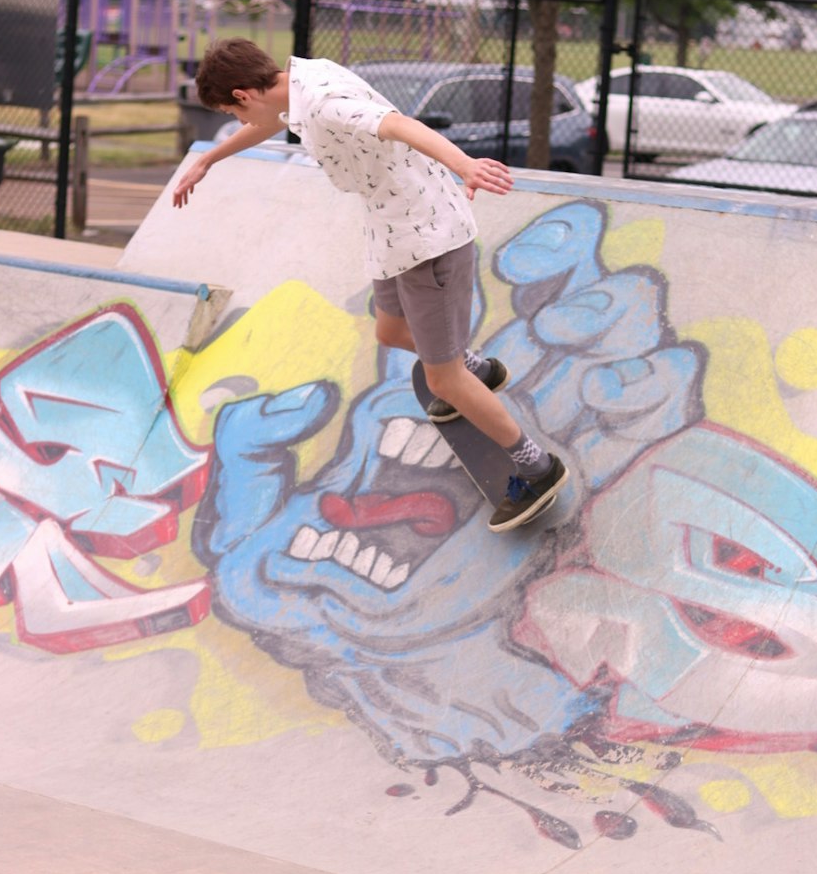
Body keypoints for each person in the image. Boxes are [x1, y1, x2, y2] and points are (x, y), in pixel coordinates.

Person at [172, 39, 568, 532]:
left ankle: (535, 466)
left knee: (441, 379)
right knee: (390, 332)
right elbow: (267, 124)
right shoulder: (295, 84)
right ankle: (476, 368)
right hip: (391, 231)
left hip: (428, 238)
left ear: (242, 94)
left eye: (233, 111)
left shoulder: (323, 105)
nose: (239, 118)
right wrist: (211, 159)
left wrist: (464, 164)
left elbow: (401, 125)